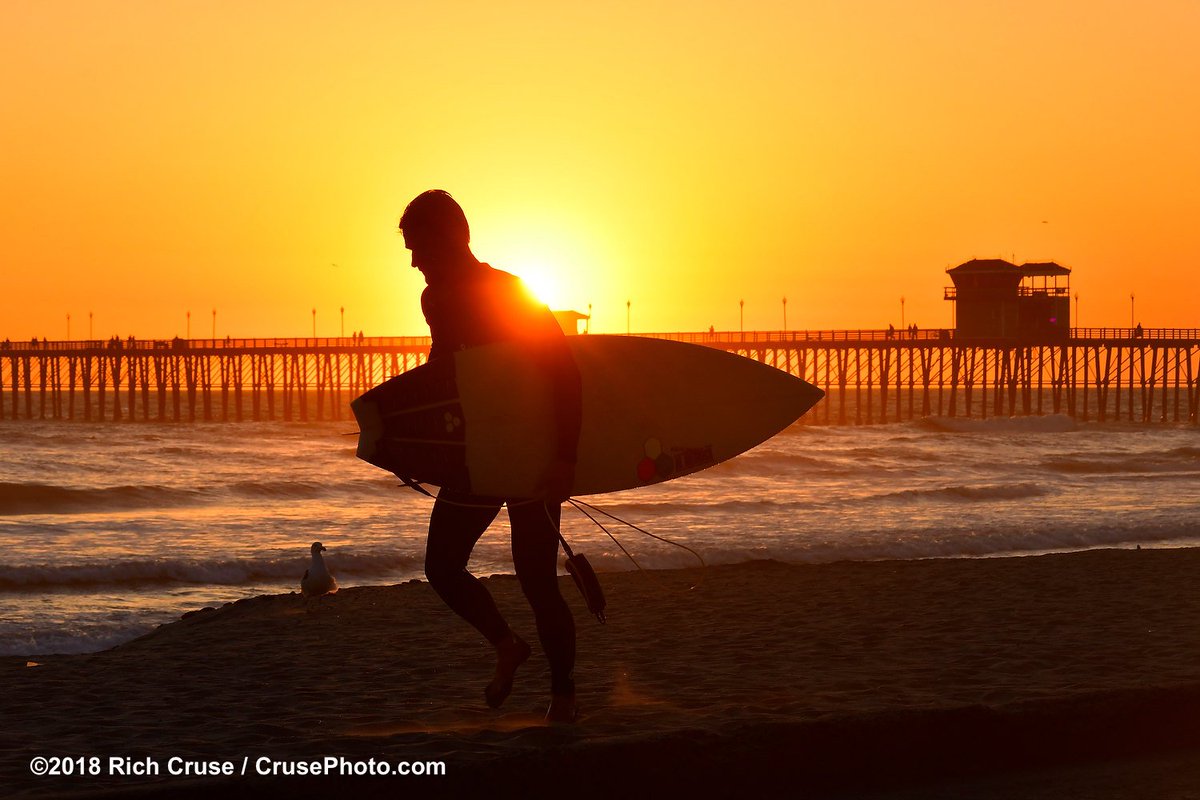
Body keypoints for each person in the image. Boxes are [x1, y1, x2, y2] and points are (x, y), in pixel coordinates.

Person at [399, 190, 583, 723]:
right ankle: (506, 644)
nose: (413, 261)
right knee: (442, 565)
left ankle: (563, 696)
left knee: (537, 580)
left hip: (530, 453)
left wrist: (564, 459)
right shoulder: (434, 301)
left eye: (418, 247)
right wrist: (419, 450)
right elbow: (444, 379)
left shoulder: (509, 292)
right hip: (479, 455)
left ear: (449, 239)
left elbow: (564, 374)